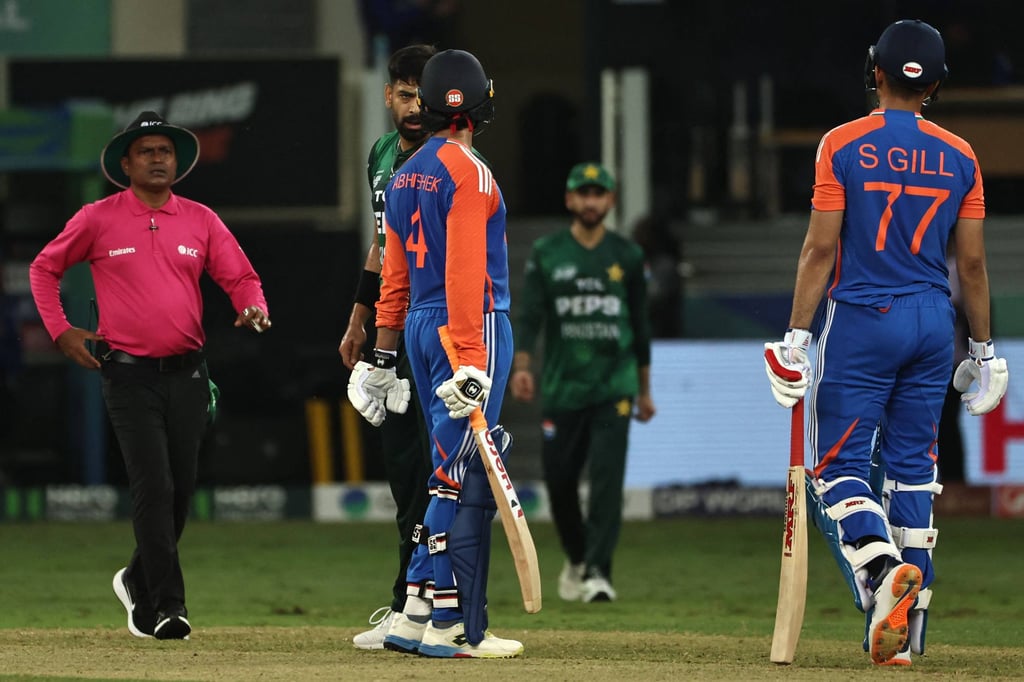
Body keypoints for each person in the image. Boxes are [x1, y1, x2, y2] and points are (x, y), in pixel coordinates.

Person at [763, 20, 1008, 666]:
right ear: (936, 84)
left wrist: (795, 336)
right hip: (935, 322)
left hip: (862, 316)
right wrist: (984, 351)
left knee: (836, 471)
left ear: (874, 72)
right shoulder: (961, 155)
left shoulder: (841, 144)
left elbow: (820, 248)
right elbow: (974, 266)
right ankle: (907, 631)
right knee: (914, 474)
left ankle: (877, 571)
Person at [29, 111, 271, 640]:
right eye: (147, 151)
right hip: (128, 377)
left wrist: (252, 305)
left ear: (176, 163)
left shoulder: (201, 219)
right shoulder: (97, 217)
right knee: (154, 487)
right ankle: (166, 606)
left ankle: (137, 578)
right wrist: (61, 330)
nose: (158, 159)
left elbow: (241, 276)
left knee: (180, 492)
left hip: (187, 375)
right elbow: (44, 268)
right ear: (126, 163)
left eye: (165, 151)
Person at [347, 48, 522, 658]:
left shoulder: (403, 173)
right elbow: (467, 272)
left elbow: (393, 276)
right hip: (468, 324)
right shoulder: (468, 172)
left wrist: (385, 354)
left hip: (420, 326)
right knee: (461, 475)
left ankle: (419, 611)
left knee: (446, 471)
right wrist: (472, 358)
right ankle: (453, 624)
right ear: (475, 103)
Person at [510, 162, 656, 603]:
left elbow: (640, 324)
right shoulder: (548, 252)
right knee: (559, 481)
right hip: (562, 385)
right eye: (583, 193)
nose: (591, 201)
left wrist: (645, 390)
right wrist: (521, 365)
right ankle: (576, 558)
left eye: (599, 193)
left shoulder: (627, 256)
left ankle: (598, 572)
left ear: (610, 201)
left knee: (608, 482)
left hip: (615, 385)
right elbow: (531, 313)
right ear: (570, 200)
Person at [338, 43, 437, 651]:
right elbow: (381, 251)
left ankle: (443, 607)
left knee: (439, 474)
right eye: (405, 95)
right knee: (404, 471)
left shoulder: (444, 157)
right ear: (387, 95)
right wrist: (359, 322)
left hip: (436, 328)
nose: (413, 107)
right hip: (391, 328)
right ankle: (407, 603)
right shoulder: (381, 155)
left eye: (423, 96)